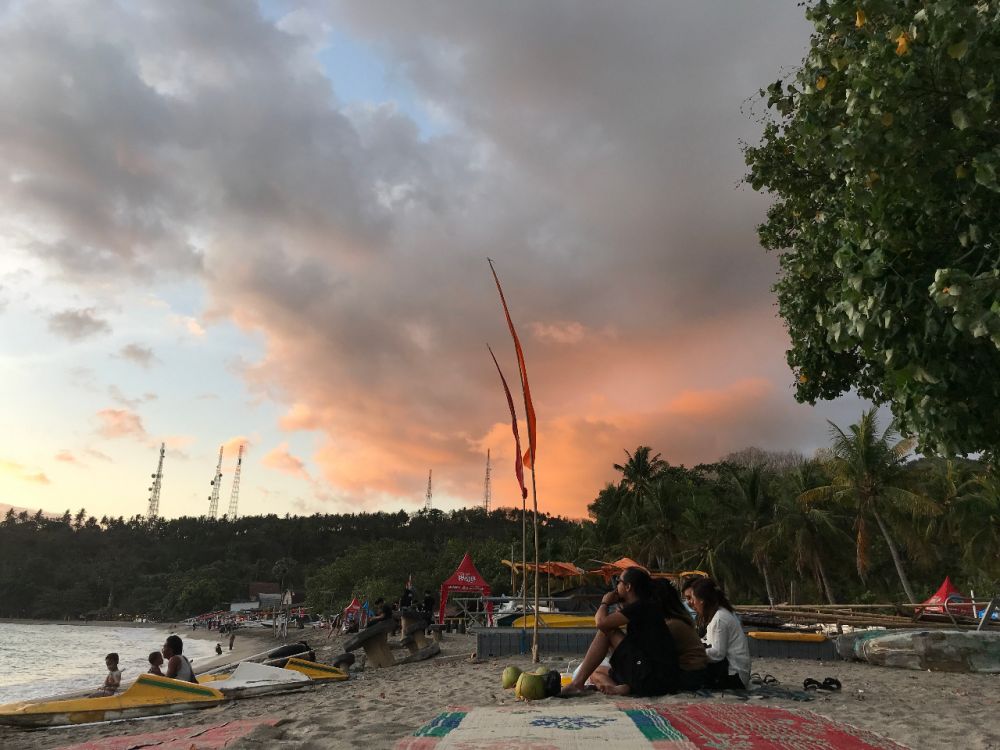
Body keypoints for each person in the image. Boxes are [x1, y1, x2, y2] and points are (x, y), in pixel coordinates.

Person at [561, 567, 680, 697]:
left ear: (628, 586)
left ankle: (577, 684)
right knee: (595, 672)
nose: (616, 586)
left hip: (650, 675)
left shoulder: (641, 606)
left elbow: (601, 623)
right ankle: (619, 688)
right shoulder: (645, 606)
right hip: (654, 677)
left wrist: (605, 602)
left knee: (607, 631)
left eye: (619, 581)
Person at [687, 578, 751, 690]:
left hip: (734, 676)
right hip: (736, 672)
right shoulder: (719, 614)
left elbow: (717, 653)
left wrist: (692, 653)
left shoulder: (719, 618)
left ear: (701, 600)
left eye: (693, 598)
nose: (692, 603)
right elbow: (709, 642)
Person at [653, 580, 708, 690]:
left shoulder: (671, 624)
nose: (689, 602)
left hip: (688, 676)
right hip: (696, 674)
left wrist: (606, 604)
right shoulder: (679, 619)